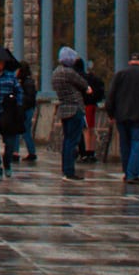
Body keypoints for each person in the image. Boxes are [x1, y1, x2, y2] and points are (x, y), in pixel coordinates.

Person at [50, 47, 92, 179]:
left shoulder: (56, 72)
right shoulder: (69, 73)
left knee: (67, 140)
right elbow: (85, 86)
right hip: (75, 108)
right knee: (73, 140)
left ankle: (65, 168)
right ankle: (69, 170)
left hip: (64, 109)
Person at [15, 62, 39, 163]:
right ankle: (28, 151)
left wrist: (21, 105)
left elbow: (28, 98)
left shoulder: (27, 83)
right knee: (23, 131)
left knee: (23, 131)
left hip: (25, 110)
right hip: (26, 109)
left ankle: (23, 152)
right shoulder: (27, 82)